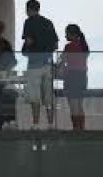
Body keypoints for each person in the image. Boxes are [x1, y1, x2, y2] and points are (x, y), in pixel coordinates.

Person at [21, 0, 59, 129]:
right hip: (47, 63)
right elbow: (55, 45)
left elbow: (29, 41)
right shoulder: (48, 23)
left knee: (35, 96)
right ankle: (51, 123)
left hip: (34, 64)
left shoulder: (29, 22)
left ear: (28, 9)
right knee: (48, 96)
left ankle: (36, 124)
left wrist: (26, 49)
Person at [59, 24, 89, 130]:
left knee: (73, 105)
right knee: (80, 105)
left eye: (66, 33)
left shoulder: (68, 46)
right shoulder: (84, 46)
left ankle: (75, 128)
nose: (65, 35)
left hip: (71, 76)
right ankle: (82, 127)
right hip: (82, 76)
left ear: (72, 34)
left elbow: (62, 62)